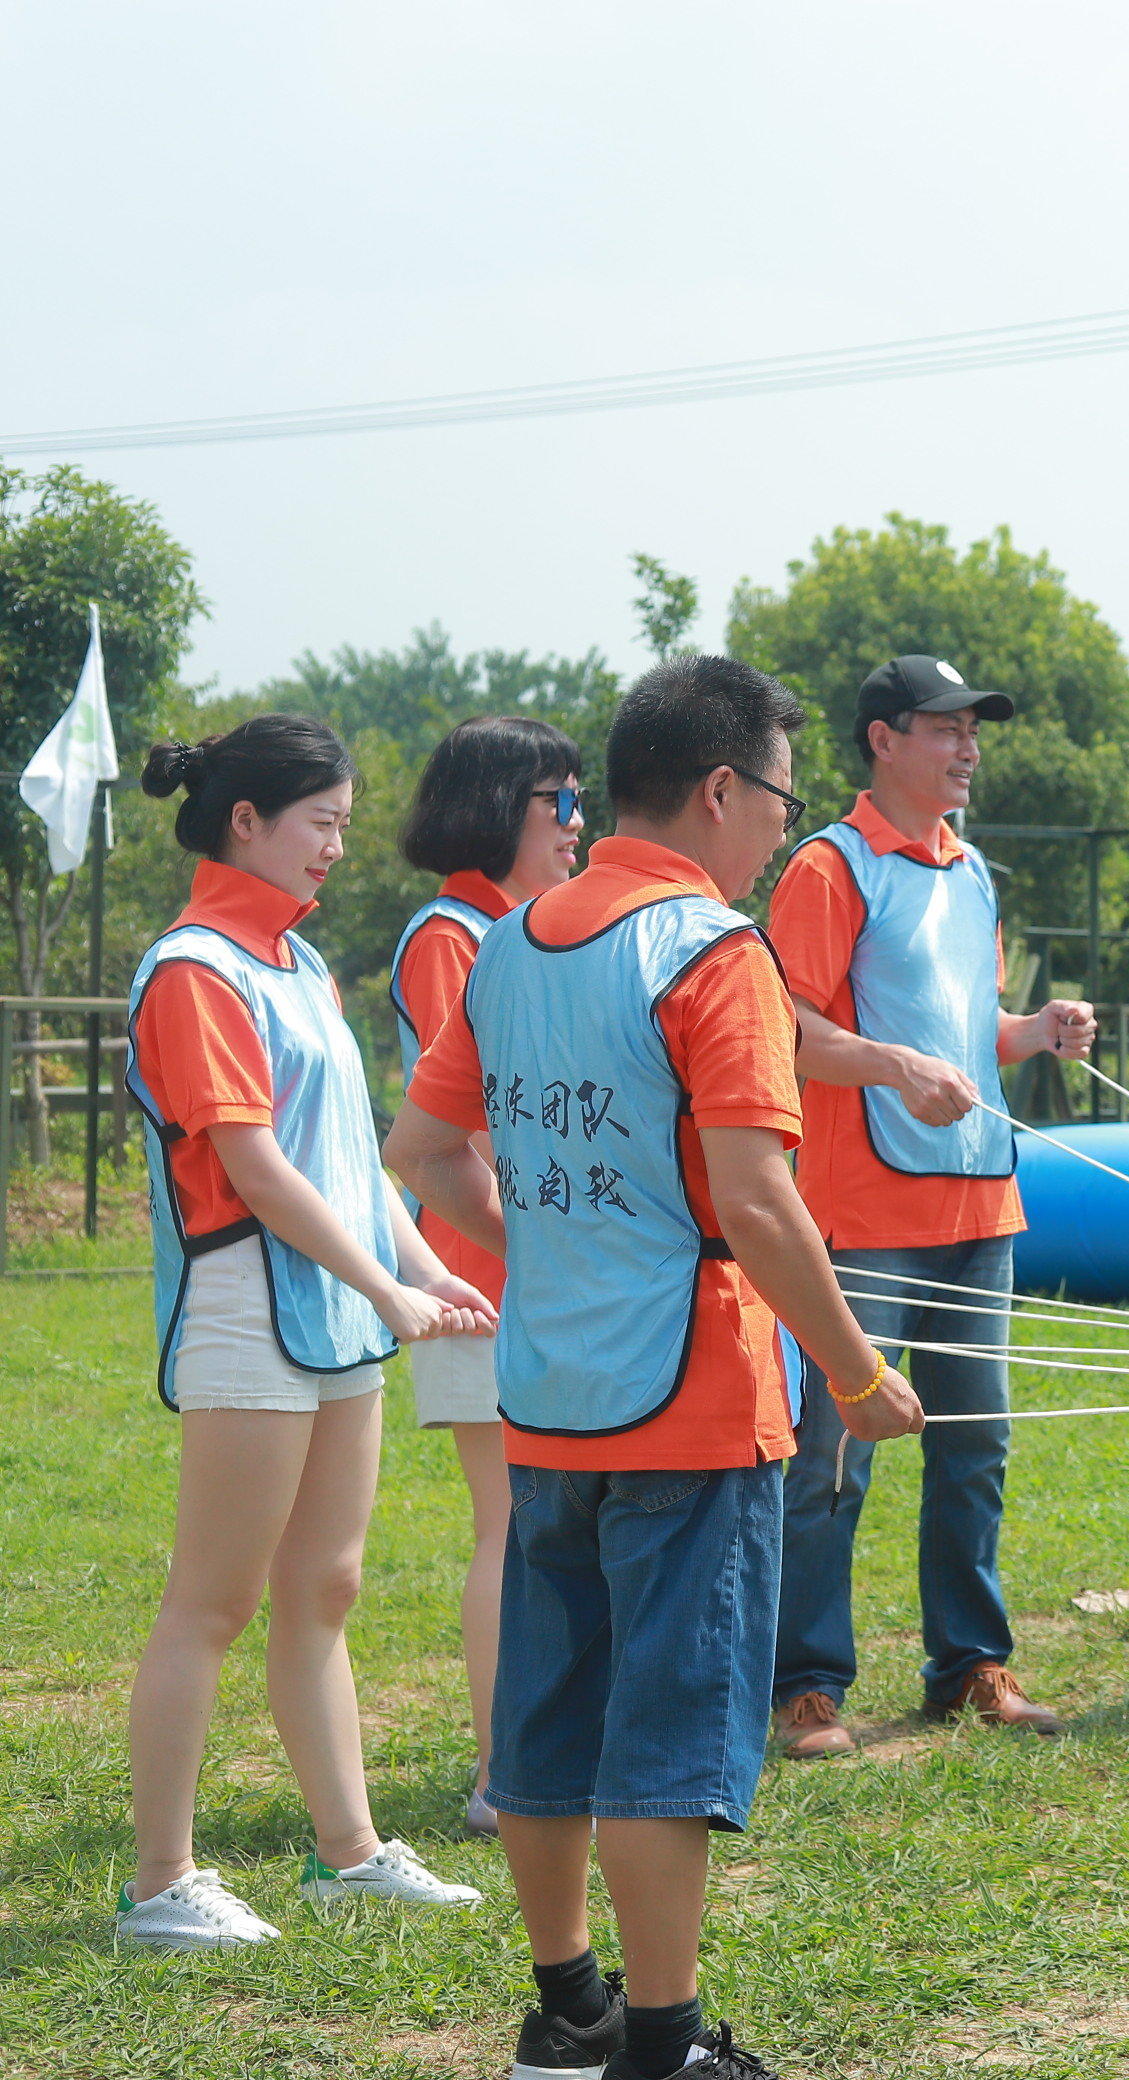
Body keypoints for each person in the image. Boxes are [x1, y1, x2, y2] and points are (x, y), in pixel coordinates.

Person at [387, 656, 924, 2080]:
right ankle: (668, 2043)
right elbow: (755, 1200)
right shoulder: (711, 951)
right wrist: (859, 1375)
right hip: (694, 1405)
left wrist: (551, 1249)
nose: (782, 835)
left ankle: (569, 2013)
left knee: (551, 1719)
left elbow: (425, 1152)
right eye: (782, 804)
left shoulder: (508, 943)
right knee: (672, 1734)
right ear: (720, 790)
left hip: (552, 1395)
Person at [115, 715, 495, 1952]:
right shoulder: (193, 969)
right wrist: (393, 1295)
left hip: (337, 1307)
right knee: (211, 1603)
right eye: (321, 822)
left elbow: (347, 1157)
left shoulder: (300, 964)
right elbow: (260, 1170)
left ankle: (350, 1855)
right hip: (246, 1306)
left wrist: (426, 1266)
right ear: (246, 821)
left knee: (325, 1585)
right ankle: (160, 1882)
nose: (338, 844)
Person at [763, 654, 1096, 1758]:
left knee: (976, 1445)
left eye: (974, 730)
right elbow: (789, 1030)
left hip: (980, 1203)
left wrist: (1033, 1032)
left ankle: (969, 1666)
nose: (969, 749)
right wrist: (899, 1065)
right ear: (882, 740)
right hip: (858, 1211)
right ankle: (806, 1685)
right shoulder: (826, 868)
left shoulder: (973, 873)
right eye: (947, 729)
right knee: (832, 1455)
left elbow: (974, 1031)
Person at [389, 714, 589, 1838]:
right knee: (509, 1526)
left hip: (544, 1269)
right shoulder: (451, 932)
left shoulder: (523, 925)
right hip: (478, 1270)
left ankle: (542, 1752)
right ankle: (503, 1771)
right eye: (557, 801)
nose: (577, 825)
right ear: (497, 806)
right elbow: (465, 1119)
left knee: (548, 1524)